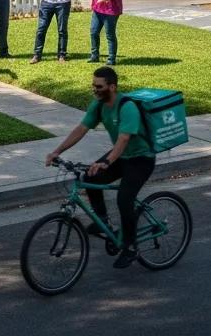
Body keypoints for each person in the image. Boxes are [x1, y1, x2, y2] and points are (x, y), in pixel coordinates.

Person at [45, 67, 155, 269]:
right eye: (93, 85)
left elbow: (123, 139)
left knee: (124, 199)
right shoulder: (99, 105)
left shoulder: (127, 107)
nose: (94, 90)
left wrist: (106, 162)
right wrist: (57, 152)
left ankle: (131, 247)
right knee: (89, 177)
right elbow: (81, 129)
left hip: (141, 159)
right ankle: (103, 221)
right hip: (121, 157)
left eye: (99, 86)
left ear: (112, 87)